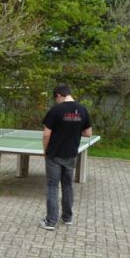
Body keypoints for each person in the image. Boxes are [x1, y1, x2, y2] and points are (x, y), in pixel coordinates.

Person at [40, 84, 92, 230]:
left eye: (55, 98)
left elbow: (46, 134)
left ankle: (51, 221)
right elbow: (88, 133)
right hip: (71, 154)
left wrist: (45, 150)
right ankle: (67, 218)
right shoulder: (83, 110)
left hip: (54, 154)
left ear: (58, 95)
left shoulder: (55, 110)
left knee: (52, 186)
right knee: (67, 185)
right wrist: (74, 130)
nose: (56, 101)